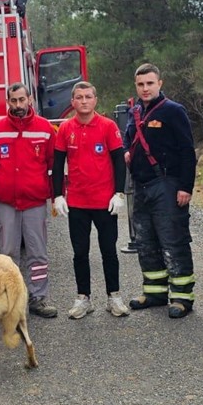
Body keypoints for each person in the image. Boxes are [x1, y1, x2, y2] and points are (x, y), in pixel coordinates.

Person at [123, 64, 198, 319]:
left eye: (150, 83)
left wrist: (185, 187)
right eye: (141, 84)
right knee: (146, 242)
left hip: (167, 184)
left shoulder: (173, 111)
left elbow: (188, 151)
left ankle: (182, 297)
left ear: (160, 83)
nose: (145, 88)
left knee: (173, 241)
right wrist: (125, 152)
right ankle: (154, 292)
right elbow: (127, 139)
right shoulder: (133, 111)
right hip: (141, 187)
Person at [52, 81, 130, 319]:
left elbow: (118, 160)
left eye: (88, 96)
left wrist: (119, 193)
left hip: (104, 201)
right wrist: (57, 195)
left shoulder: (107, 126)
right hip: (77, 202)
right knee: (79, 252)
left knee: (109, 251)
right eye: (79, 97)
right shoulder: (65, 129)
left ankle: (114, 296)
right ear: (72, 102)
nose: (83, 101)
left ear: (95, 100)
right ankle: (83, 298)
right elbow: (57, 164)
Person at [0, 83, 58, 318]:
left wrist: (56, 197)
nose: (18, 105)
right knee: (7, 254)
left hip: (35, 202)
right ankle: (10, 300)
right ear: (7, 102)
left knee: (37, 253)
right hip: (6, 202)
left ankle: (38, 298)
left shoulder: (45, 129)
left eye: (21, 100)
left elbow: (53, 167)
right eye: (13, 101)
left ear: (30, 100)